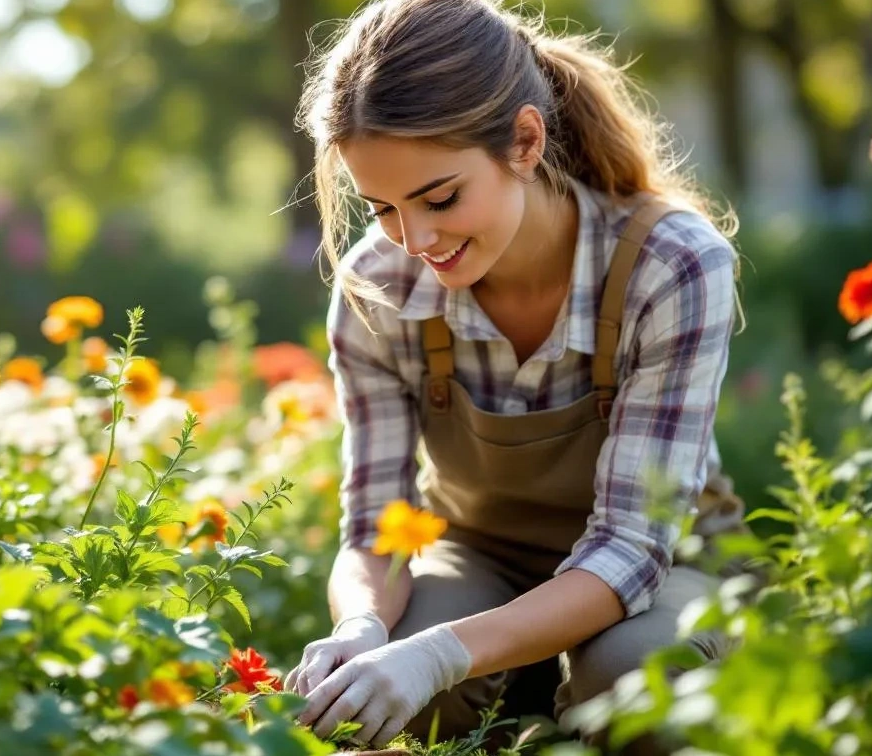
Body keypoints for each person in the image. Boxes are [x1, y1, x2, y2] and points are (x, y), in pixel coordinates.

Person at [283, 0, 749, 752]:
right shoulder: (379, 282)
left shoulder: (671, 266)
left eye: (440, 198)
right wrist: (363, 624)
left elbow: (633, 547)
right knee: (397, 698)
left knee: (634, 681)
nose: (416, 240)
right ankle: (525, 686)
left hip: (668, 565)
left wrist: (438, 652)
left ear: (525, 141)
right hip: (481, 556)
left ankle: (566, 684)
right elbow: (376, 524)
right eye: (384, 208)